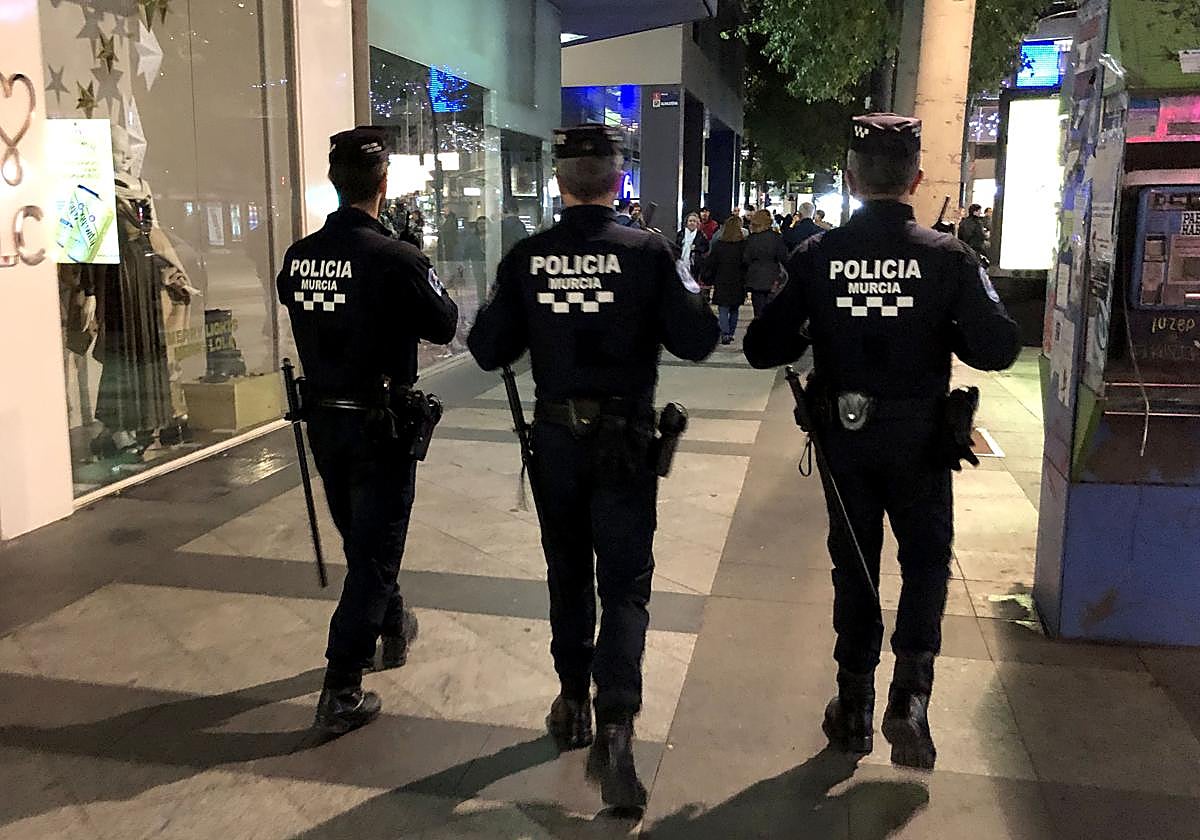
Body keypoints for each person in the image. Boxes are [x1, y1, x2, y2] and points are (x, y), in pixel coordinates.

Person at [743, 113, 1021, 771]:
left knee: (857, 570)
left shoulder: (817, 257)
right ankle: (912, 701)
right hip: (922, 440)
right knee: (925, 563)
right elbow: (1000, 345)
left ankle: (854, 709)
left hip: (847, 439)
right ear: (917, 179)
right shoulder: (948, 257)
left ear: (850, 178)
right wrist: (943, 325)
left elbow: (763, 347)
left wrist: (817, 324)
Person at [467, 125, 719, 811]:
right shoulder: (647, 253)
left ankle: (570, 698)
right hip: (624, 442)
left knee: (568, 571)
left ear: (560, 181)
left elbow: (488, 350)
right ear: (617, 180)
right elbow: (698, 340)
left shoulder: (527, 256)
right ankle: (615, 724)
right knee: (627, 585)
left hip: (555, 441)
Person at [276, 127, 459, 736]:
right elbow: (443, 323)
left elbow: (297, 302)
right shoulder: (397, 257)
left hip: (325, 423)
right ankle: (342, 686)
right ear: (384, 184)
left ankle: (393, 622)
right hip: (381, 426)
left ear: (335, 182)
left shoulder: (300, 256)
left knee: (362, 539)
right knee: (376, 551)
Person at [702, 215, 748, 344]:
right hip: (738, 281)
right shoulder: (743, 245)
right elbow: (746, 264)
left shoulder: (719, 245)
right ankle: (731, 333)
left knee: (723, 309)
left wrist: (709, 278)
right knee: (734, 309)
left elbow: (711, 263)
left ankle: (725, 333)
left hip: (722, 281)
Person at [743, 209, 789, 318]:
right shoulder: (776, 237)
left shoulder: (751, 239)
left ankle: (759, 328)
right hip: (773, 277)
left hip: (755, 277)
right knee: (772, 308)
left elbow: (746, 258)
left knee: (758, 308)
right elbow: (783, 257)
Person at [676, 211, 710, 287]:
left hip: (694, 265)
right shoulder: (680, 234)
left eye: (694, 221)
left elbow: (706, 248)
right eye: (690, 221)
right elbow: (676, 247)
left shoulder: (701, 235)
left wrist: (696, 248)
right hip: (681, 263)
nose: (692, 223)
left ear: (697, 223)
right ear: (686, 222)